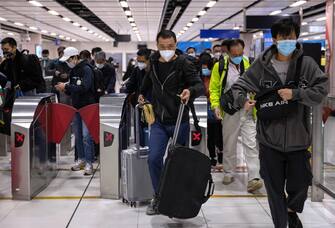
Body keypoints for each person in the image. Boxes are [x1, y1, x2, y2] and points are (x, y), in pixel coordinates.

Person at [230, 18, 328, 228]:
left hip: (299, 139)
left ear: (296, 38)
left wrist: (296, 93)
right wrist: (243, 100)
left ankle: (291, 211)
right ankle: (281, 223)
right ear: (274, 39)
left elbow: (322, 90)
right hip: (269, 140)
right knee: (274, 190)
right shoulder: (262, 65)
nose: (287, 41)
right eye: (283, 38)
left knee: (301, 184)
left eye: (291, 37)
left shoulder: (306, 64)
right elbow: (239, 86)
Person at [138, 30, 203, 215]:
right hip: (158, 120)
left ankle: (177, 197)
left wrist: (190, 91)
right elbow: (148, 82)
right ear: (157, 45)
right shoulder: (153, 63)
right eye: (162, 47)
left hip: (179, 120)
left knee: (175, 163)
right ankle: (159, 197)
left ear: (176, 44)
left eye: (170, 46)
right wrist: (142, 93)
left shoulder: (184, 63)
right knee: (153, 159)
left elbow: (198, 85)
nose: (166, 50)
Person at [209, 39, 263, 193]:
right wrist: (215, 106)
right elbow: (214, 88)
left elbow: (257, 85)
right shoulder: (219, 67)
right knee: (229, 142)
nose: (238, 56)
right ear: (228, 53)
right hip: (229, 111)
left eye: (240, 53)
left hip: (248, 110)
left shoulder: (250, 65)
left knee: (251, 143)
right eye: (234, 54)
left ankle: (254, 177)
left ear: (244, 50)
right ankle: (229, 171)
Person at [55, 47, 96, 176]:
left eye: (68, 59)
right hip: (76, 107)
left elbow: (84, 87)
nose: (67, 62)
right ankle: (81, 159)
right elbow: (73, 88)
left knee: (86, 136)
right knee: (78, 136)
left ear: (75, 57)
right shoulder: (73, 70)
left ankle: (89, 162)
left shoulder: (86, 69)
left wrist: (67, 86)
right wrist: (64, 89)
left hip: (87, 107)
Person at [199, 52, 223, 170]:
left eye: (206, 67)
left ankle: (221, 154)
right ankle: (212, 157)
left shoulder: (216, 74)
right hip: (204, 109)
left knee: (218, 133)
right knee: (209, 136)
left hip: (215, 107)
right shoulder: (199, 77)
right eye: (202, 67)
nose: (204, 69)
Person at [124, 48, 151, 146]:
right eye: (138, 61)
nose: (140, 63)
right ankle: (140, 146)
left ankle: (149, 147)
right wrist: (126, 91)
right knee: (138, 127)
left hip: (151, 106)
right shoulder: (137, 70)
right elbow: (131, 84)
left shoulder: (154, 71)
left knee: (149, 128)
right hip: (139, 105)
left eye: (142, 61)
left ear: (149, 60)